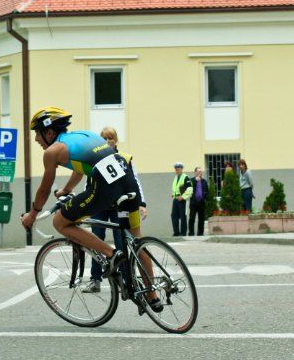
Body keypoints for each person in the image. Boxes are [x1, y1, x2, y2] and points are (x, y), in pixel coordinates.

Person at [20, 107, 161, 311]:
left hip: (105, 187)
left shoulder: (52, 152)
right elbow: (81, 167)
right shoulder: (86, 135)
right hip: (127, 180)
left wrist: (32, 215)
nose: (36, 140)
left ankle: (111, 253)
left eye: (37, 134)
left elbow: (43, 190)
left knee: (60, 221)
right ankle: (152, 294)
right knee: (136, 240)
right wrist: (67, 189)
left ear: (49, 132)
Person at [83, 126, 148, 293]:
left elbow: (135, 182)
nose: (107, 141)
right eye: (104, 138)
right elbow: (88, 184)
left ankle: (127, 281)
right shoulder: (95, 158)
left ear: (116, 140)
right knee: (96, 242)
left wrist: (142, 204)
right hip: (100, 206)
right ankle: (95, 280)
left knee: (123, 244)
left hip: (120, 207)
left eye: (110, 138)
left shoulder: (124, 158)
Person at [170, 162, 192, 236]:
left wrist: (183, 197)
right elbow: (175, 189)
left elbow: (190, 189)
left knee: (183, 216)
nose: (177, 171)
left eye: (178, 169)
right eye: (176, 169)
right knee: (174, 215)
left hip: (182, 200)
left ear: (182, 169)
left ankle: (183, 233)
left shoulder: (185, 177)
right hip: (176, 199)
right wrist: (173, 195)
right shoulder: (176, 178)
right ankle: (176, 232)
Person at [188, 166, 209, 236]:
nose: (200, 172)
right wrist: (195, 181)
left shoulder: (204, 181)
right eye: (198, 171)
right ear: (195, 172)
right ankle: (191, 233)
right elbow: (187, 189)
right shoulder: (191, 180)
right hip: (193, 203)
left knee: (201, 219)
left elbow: (207, 191)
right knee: (192, 219)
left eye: (201, 171)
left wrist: (204, 198)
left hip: (201, 203)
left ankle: (200, 233)